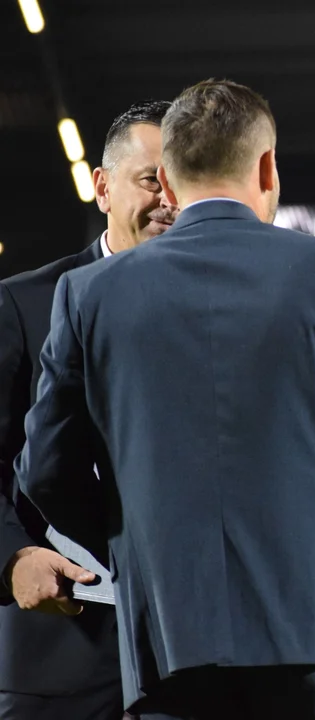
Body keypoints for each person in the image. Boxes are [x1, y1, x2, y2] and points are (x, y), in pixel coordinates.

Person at [16, 79, 315, 719]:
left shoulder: (88, 295)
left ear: (167, 178)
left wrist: (134, 541)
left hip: (170, 642)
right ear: (268, 167)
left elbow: (43, 471)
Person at [0, 99, 174, 719]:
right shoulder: (22, 305)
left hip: (193, 651)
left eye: (183, 181)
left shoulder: (220, 313)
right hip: (63, 648)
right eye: (151, 178)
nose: (167, 198)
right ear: (102, 187)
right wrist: (13, 556)